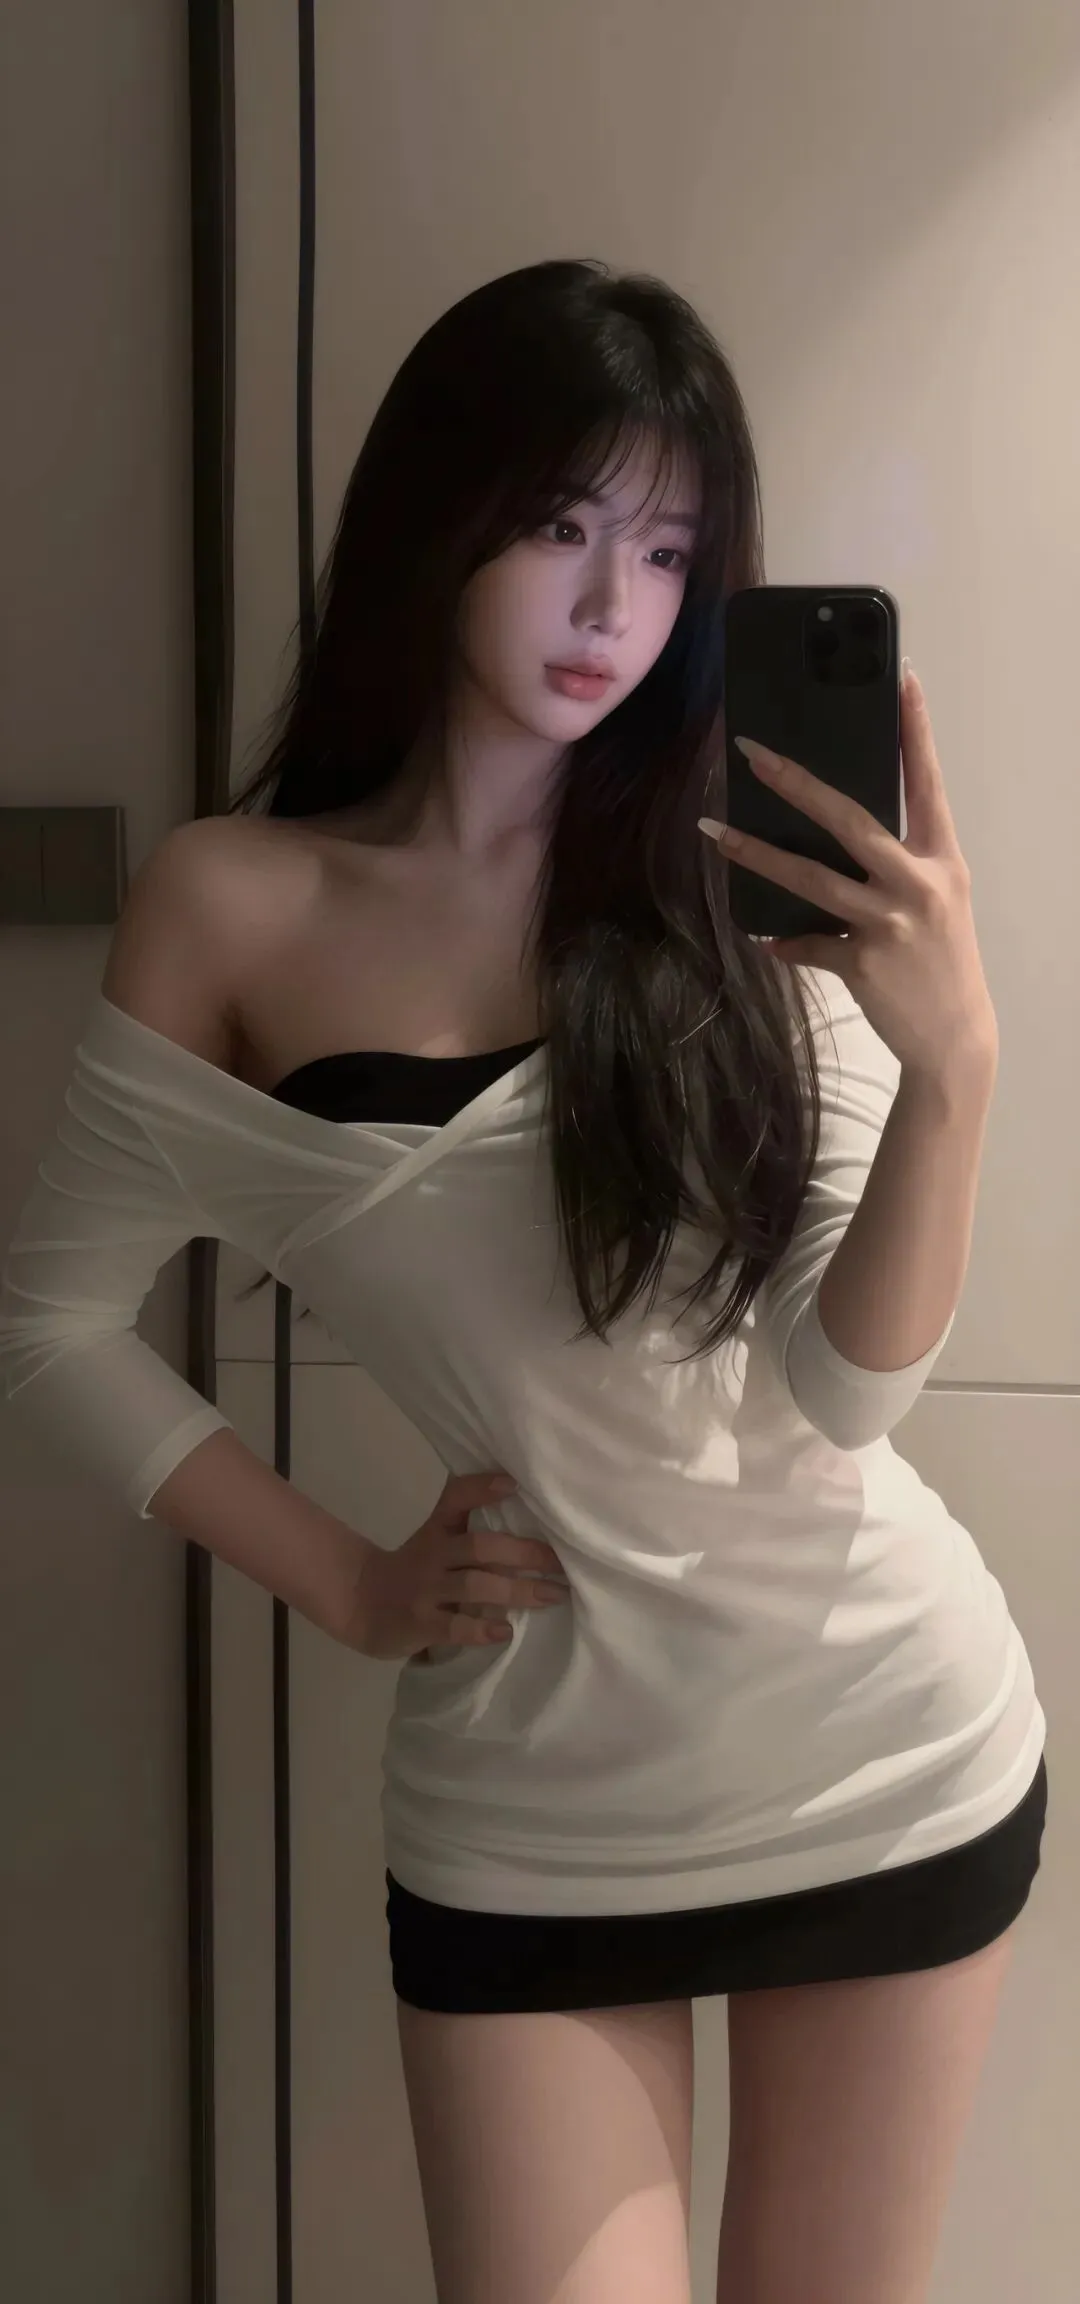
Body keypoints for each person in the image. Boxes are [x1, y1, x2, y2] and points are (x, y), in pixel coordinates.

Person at [0, 258, 1046, 2304]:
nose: (608, 606)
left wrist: (958, 1075)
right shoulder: (237, 906)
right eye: (562, 526)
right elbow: (49, 1322)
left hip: (882, 1752)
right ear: (436, 517)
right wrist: (346, 1579)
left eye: (663, 551)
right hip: (532, 1815)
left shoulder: (738, 885)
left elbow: (845, 1397)